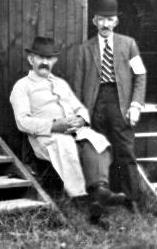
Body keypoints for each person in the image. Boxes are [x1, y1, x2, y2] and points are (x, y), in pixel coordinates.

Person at [10, 37, 126, 226]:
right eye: (40, 58)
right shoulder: (22, 87)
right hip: (47, 137)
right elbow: (22, 122)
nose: (45, 62)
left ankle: (100, 190)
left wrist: (80, 119)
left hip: (73, 130)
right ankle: (82, 199)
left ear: (54, 61)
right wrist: (54, 125)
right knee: (66, 146)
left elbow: (79, 108)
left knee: (95, 141)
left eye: (49, 58)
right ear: (31, 59)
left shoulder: (60, 84)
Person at [74, 0, 147, 213]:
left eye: (110, 19)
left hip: (120, 102)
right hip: (94, 104)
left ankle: (133, 201)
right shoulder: (85, 49)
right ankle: (100, 200)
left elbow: (140, 76)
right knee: (99, 149)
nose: (106, 24)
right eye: (102, 20)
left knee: (125, 149)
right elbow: (77, 86)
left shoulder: (129, 44)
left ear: (116, 21)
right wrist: (81, 114)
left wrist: (135, 105)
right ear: (95, 21)